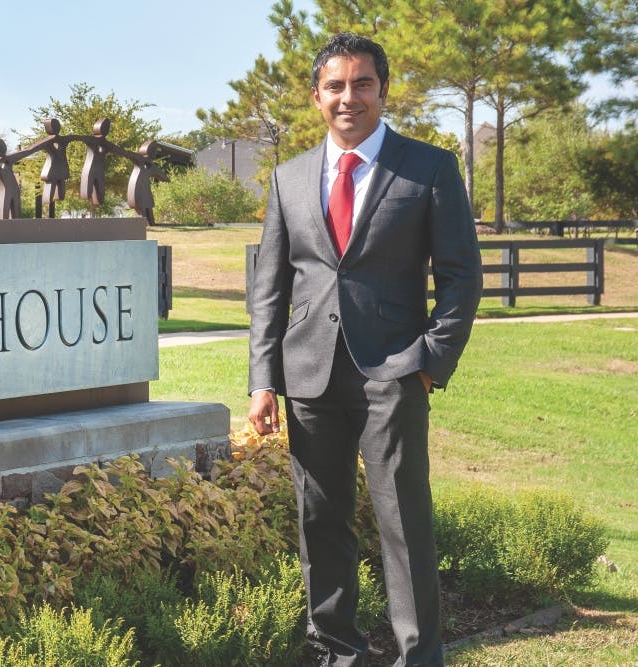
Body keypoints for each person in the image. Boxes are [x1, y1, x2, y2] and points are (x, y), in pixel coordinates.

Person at [246, 32, 483, 667]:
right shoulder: (288, 178)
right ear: (316, 95)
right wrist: (262, 381)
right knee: (320, 524)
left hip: (395, 374)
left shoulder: (428, 168)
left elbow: (461, 277)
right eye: (335, 86)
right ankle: (336, 654)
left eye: (362, 84)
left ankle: (418, 657)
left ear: (383, 89)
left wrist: (431, 361)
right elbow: (268, 290)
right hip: (308, 379)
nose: (348, 97)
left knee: (403, 527)